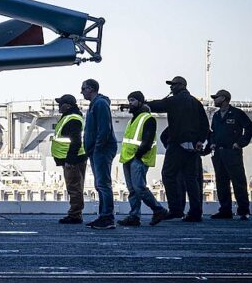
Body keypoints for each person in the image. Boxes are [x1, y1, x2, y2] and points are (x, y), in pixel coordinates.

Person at [146, 76, 210, 222]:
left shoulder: (175, 100)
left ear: (181, 85)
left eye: (173, 85)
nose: (171, 87)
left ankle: (175, 209)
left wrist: (144, 104)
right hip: (193, 147)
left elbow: (159, 105)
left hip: (176, 145)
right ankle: (196, 212)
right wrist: (200, 141)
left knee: (168, 175)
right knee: (191, 180)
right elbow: (205, 125)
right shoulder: (196, 103)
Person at [118, 92, 168, 227]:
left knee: (139, 188)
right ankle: (134, 216)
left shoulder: (147, 119)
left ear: (140, 102)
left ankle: (158, 210)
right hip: (128, 158)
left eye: (132, 100)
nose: (130, 103)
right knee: (132, 190)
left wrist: (138, 155)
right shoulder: (133, 120)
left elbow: (147, 140)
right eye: (129, 100)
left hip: (138, 158)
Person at [207, 89, 252, 220]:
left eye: (216, 97)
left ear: (223, 98)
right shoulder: (216, 115)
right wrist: (212, 143)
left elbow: (250, 128)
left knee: (238, 182)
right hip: (219, 153)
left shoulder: (237, 113)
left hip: (232, 152)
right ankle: (225, 210)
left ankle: (243, 211)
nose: (214, 100)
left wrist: (240, 143)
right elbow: (213, 132)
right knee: (221, 182)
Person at [81, 79, 117, 229]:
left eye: (83, 89)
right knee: (100, 184)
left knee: (103, 184)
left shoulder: (100, 104)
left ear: (91, 89)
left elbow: (104, 128)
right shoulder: (95, 104)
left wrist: (97, 147)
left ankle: (107, 217)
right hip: (97, 149)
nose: (81, 92)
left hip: (102, 149)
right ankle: (104, 216)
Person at [50, 94, 87, 224]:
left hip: (73, 160)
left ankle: (75, 215)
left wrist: (70, 160)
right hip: (71, 158)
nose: (59, 106)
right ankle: (75, 213)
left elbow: (75, 141)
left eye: (61, 103)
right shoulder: (70, 117)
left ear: (68, 105)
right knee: (75, 186)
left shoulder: (73, 119)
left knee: (74, 187)